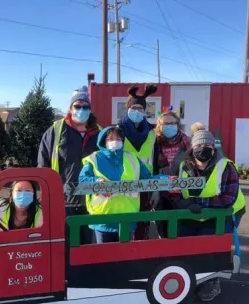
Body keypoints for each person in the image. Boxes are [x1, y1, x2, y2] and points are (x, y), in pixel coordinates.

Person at [171, 130, 246, 301]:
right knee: (186, 249)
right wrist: (180, 202)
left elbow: (228, 197)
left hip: (219, 215)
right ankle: (190, 281)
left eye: (207, 146)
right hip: (191, 214)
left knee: (212, 250)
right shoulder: (184, 166)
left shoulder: (226, 166)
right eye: (198, 145)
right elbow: (174, 190)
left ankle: (211, 282)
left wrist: (199, 203)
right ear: (192, 148)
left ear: (213, 148)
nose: (202, 149)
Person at [37, 86, 101, 243]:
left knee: (86, 245)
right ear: (70, 108)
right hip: (63, 200)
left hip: (90, 199)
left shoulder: (98, 132)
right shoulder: (56, 130)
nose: (81, 110)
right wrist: (46, 192)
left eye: (85, 107)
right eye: (77, 106)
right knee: (62, 245)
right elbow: (43, 162)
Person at [79, 126, 152, 243]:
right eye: (111, 138)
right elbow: (83, 180)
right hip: (103, 217)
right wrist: (97, 182)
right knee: (104, 257)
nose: (115, 140)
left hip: (127, 217)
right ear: (103, 141)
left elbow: (147, 178)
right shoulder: (94, 158)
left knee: (125, 257)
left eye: (118, 138)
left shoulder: (132, 158)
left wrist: (166, 179)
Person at [118, 84, 159, 240]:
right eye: (134, 107)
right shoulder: (118, 130)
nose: (137, 111)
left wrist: (155, 188)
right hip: (124, 185)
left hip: (145, 185)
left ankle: (141, 251)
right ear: (128, 109)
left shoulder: (151, 132)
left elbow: (155, 160)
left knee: (143, 222)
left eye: (140, 108)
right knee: (125, 223)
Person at [155, 111, 190, 237]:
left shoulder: (188, 143)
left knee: (180, 231)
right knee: (163, 231)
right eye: (165, 124)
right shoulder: (154, 144)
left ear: (178, 125)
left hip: (182, 195)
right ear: (159, 126)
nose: (169, 126)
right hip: (160, 194)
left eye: (172, 123)